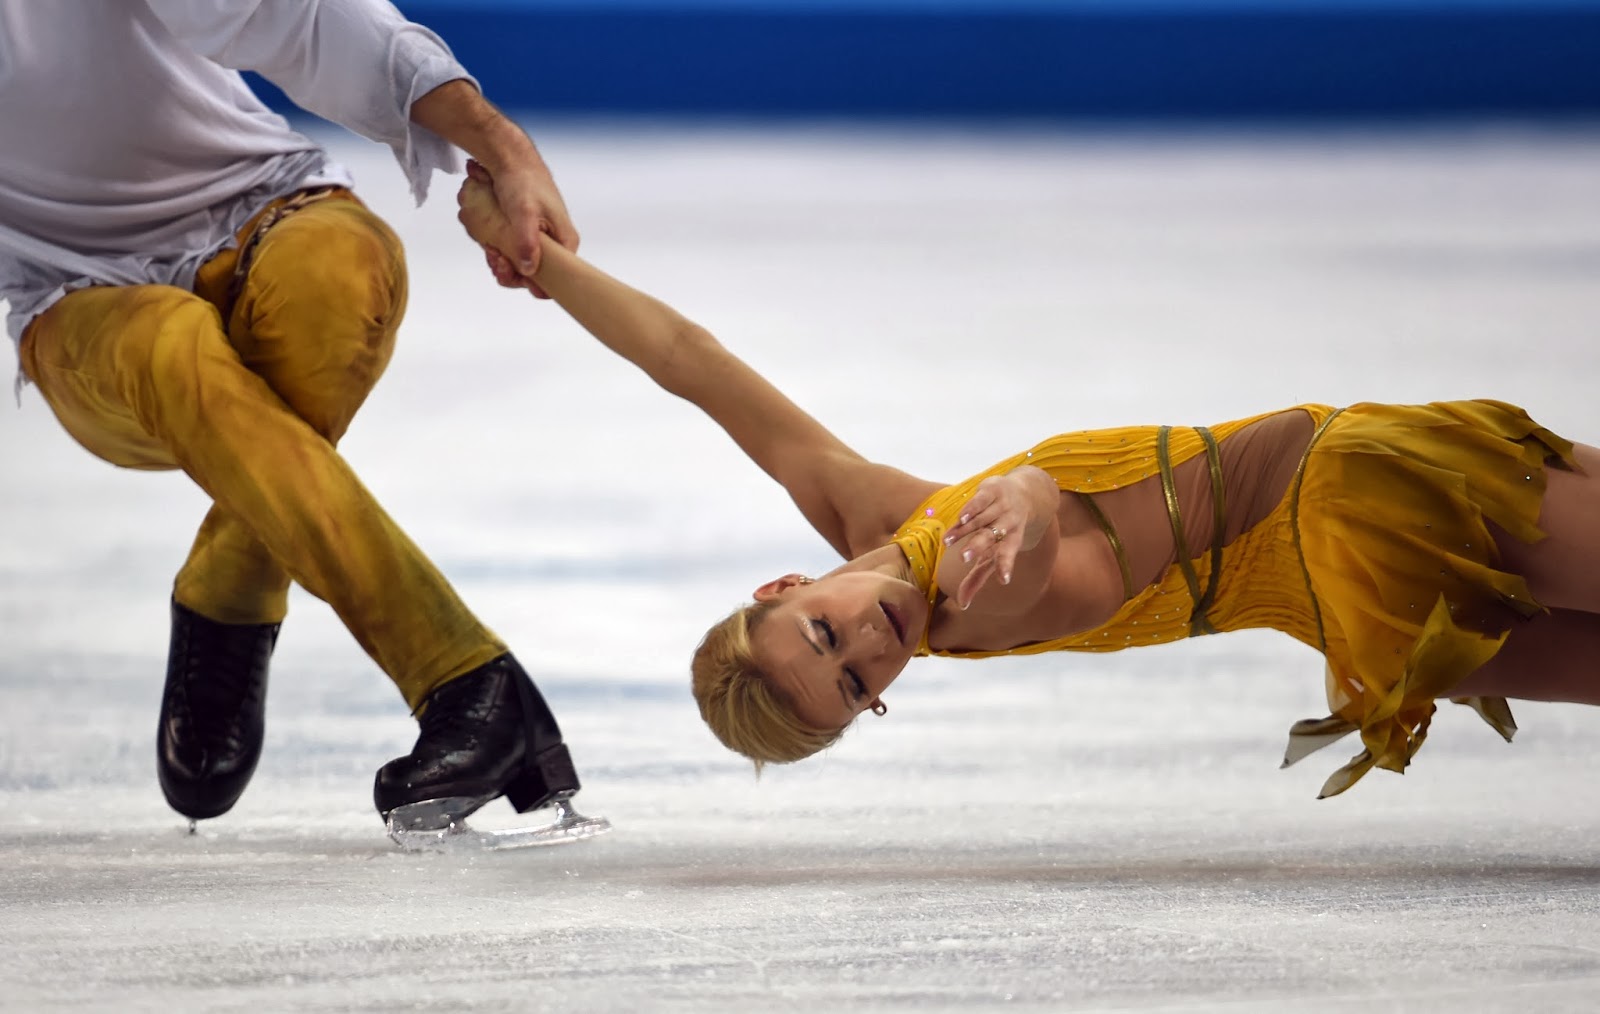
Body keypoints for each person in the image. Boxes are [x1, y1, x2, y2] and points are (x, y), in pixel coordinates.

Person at [456, 167, 1600, 799]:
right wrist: (1034, 507)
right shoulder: (976, 590)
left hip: (1346, 557)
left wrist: (543, 264)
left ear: (790, 581)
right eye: (855, 687)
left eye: (822, 637)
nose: (870, 647)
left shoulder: (866, 510)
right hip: (1359, 511)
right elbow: (1088, 562)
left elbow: (689, 365)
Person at [1, 0, 596, 833]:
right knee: (174, 349)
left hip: (265, 201)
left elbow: (303, 15)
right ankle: (464, 675)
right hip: (75, 297)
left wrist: (506, 148)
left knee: (342, 271)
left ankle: (230, 585)